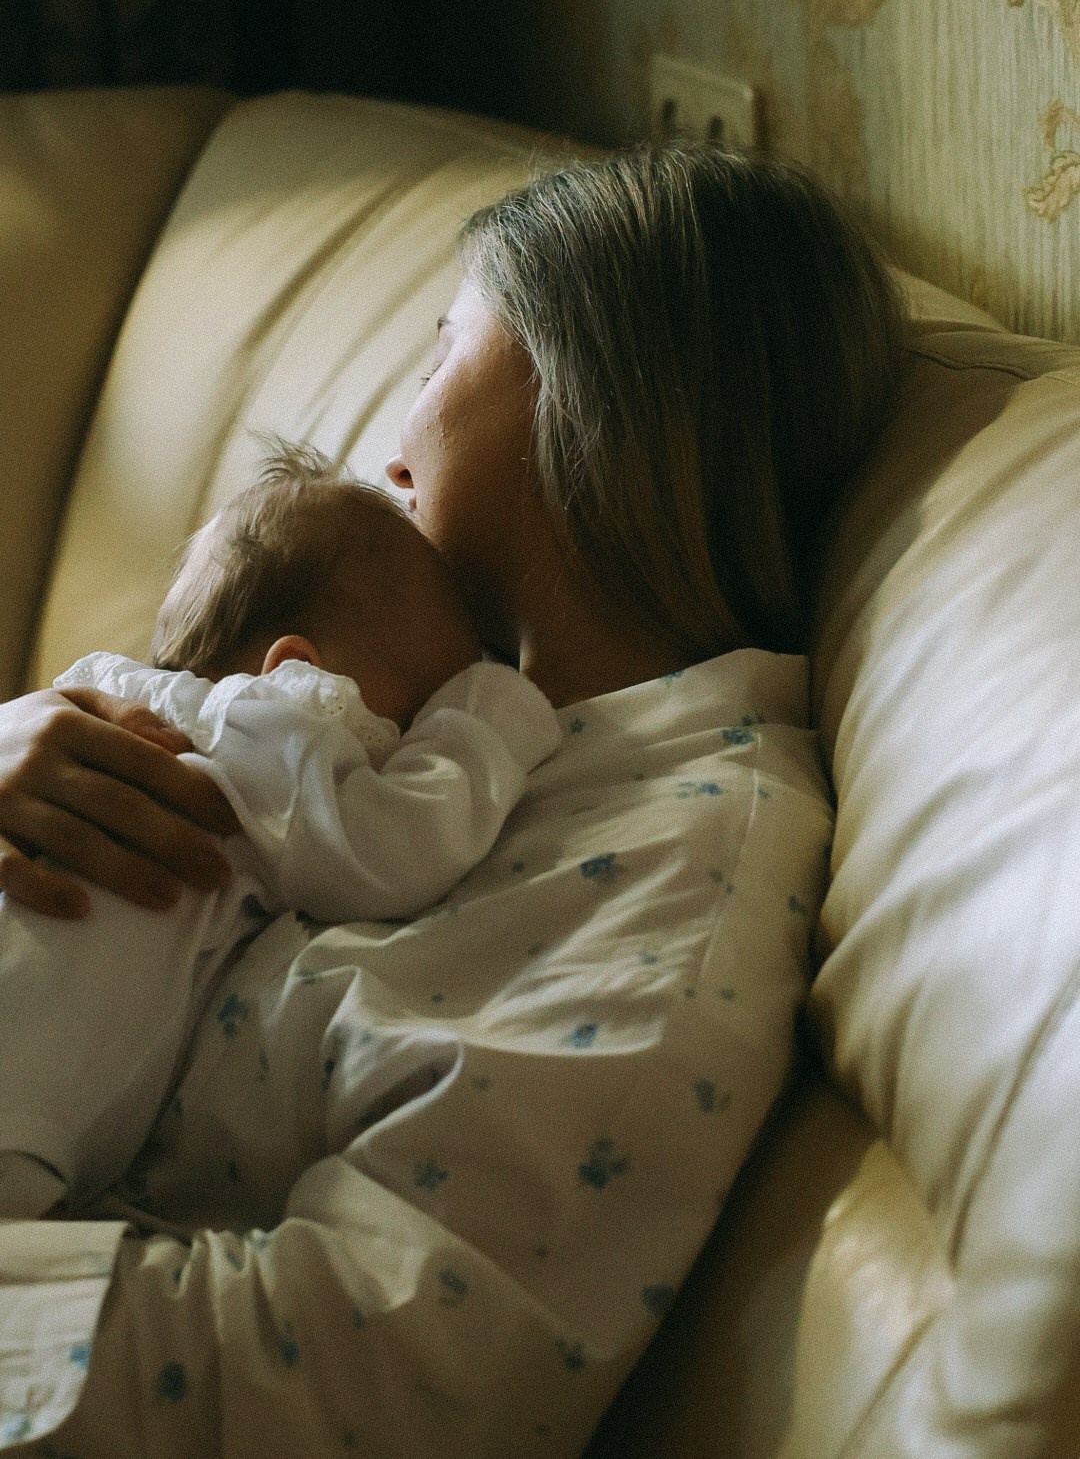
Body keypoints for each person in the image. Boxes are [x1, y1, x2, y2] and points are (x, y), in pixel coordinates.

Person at [0, 145, 904, 1458]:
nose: (389, 446)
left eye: (437, 358)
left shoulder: (675, 868)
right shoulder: (416, 712)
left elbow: (354, 1379)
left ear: (587, 389)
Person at [0, 443, 560, 1219]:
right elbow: (393, 852)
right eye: (418, 710)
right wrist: (491, 713)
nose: (416, 736)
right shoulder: (264, 733)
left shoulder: (122, 711)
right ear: (301, 674)